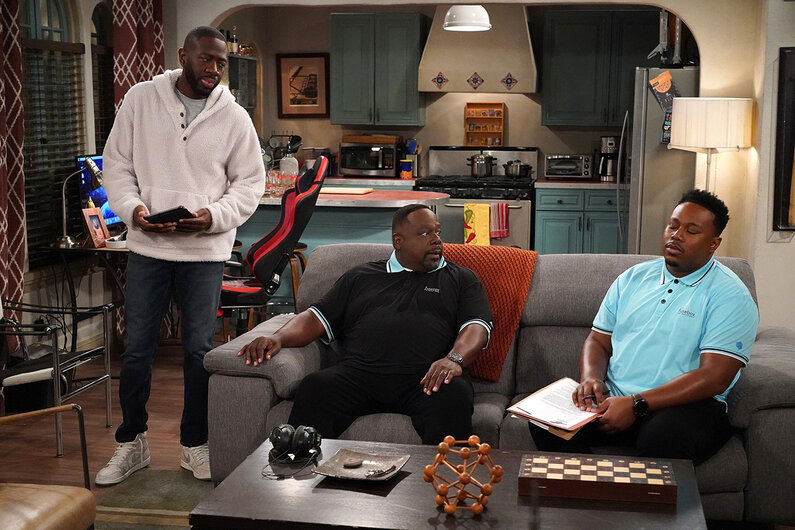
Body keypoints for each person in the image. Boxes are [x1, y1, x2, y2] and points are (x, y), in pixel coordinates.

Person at [97, 26, 265, 485]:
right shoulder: (140, 99)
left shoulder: (236, 118)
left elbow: (250, 185)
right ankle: (132, 443)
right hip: (148, 247)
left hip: (205, 252)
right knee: (136, 350)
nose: (213, 69)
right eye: (206, 59)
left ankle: (195, 444)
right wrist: (133, 211)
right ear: (183, 55)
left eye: (220, 62)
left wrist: (211, 217)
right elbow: (117, 166)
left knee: (198, 351)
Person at [530, 189, 759, 464]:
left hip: (685, 405)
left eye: (691, 231)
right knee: (543, 420)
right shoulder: (632, 278)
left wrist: (637, 404)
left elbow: (714, 376)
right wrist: (591, 379)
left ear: (713, 243)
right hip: (616, 398)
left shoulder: (730, 295)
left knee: (662, 437)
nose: (676, 235)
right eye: (672, 226)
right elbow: (598, 340)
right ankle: (597, 483)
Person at [238, 204, 494, 444]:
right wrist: (278, 338)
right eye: (425, 233)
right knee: (316, 387)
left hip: (426, 380)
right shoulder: (361, 277)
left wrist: (454, 359)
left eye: (438, 232)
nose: (437, 240)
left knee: (454, 393)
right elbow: (316, 317)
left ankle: (448, 474)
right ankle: (300, 470)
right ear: (398, 241)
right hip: (359, 375)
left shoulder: (461, 279)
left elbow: (476, 327)